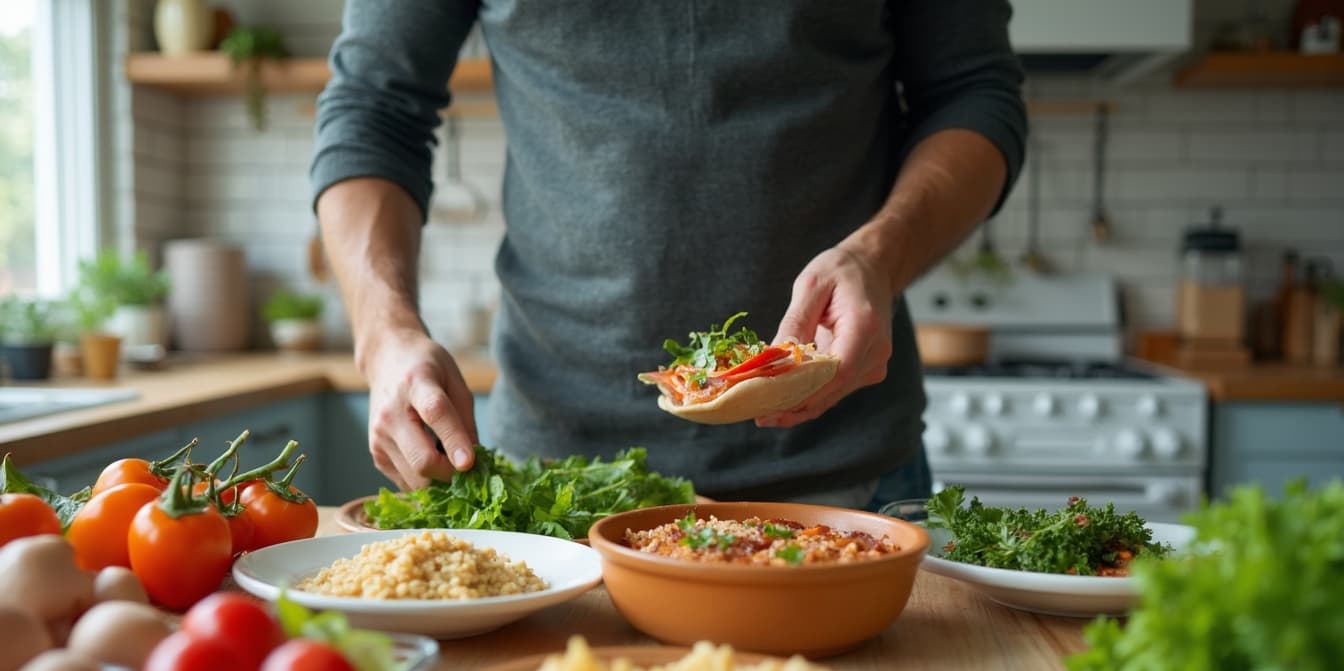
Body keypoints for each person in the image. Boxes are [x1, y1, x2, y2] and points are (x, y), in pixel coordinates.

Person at [311, 1, 1027, 510]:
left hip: (846, 477)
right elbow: (373, 106)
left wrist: (881, 254)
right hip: (557, 486)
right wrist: (386, 335)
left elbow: (972, 92)